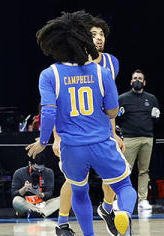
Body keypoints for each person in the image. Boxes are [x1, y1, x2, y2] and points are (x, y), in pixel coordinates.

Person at [26, 11, 136, 236]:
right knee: (124, 185)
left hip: (72, 146)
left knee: (79, 192)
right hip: (101, 140)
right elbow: (113, 109)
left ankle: (88, 234)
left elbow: (47, 113)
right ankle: (122, 212)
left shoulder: (50, 74)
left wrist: (44, 141)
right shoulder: (101, 72)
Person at [52, 16, 122, 225]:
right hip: (73, 128)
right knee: (72, 181)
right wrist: (56, 138)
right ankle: (62, 223)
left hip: (99, 127)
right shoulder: (68, 63)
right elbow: (56, 104)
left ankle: (107, 208)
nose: (99, 38)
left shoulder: (111, 62)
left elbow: (107, 105)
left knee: (114, 173)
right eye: (93, 35)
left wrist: (114, 133)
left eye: (101, 34)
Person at [117, 69, 160, 211]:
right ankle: (121, 199)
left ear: (144, 82)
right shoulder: (122, 98)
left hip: (147, 138)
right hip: (129, 139)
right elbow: (114, 117)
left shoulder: (152, 98)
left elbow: (157, 118)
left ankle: (142, 200)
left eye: (140, 78)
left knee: (144, 171)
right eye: (135, 78)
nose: (137, 80)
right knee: (125, 170)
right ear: (130, 81)